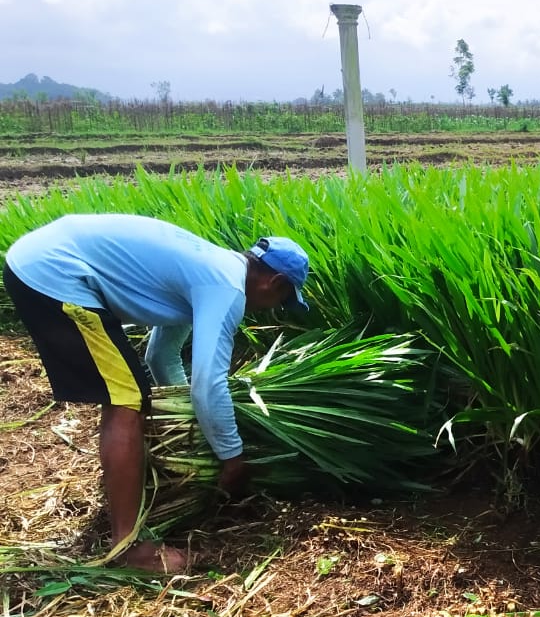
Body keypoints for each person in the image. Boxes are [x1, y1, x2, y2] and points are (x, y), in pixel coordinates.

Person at [2, 214, 310, 573]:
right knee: (126, 400)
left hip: (42, 261)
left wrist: (184, 415)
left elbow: (162, 356)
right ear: (275, 282)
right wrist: (232, 456)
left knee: (131, 395)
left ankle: (125, 521)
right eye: (282, 300)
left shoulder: (209, 269)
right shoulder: (225, 288)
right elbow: (209, 383)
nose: (273, 308)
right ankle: (130, 548)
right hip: (54, 274)